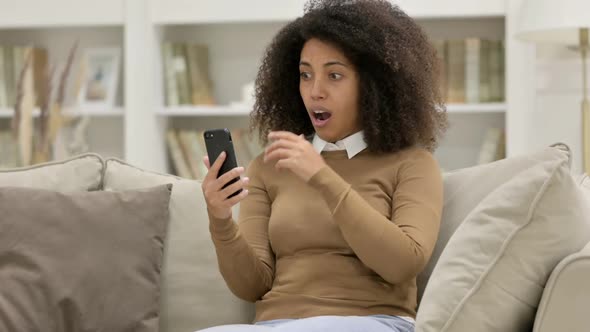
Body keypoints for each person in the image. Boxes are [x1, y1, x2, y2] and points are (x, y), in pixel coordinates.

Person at [199, 0, 448, 331]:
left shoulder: (413, 164)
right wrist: (220, 220)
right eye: (305, 75)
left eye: (334, 75)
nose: (315, 91)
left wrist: (321, 177)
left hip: (375, 321)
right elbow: (252, 287)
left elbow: (403, 263)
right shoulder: (270, 166)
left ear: (374, 85)